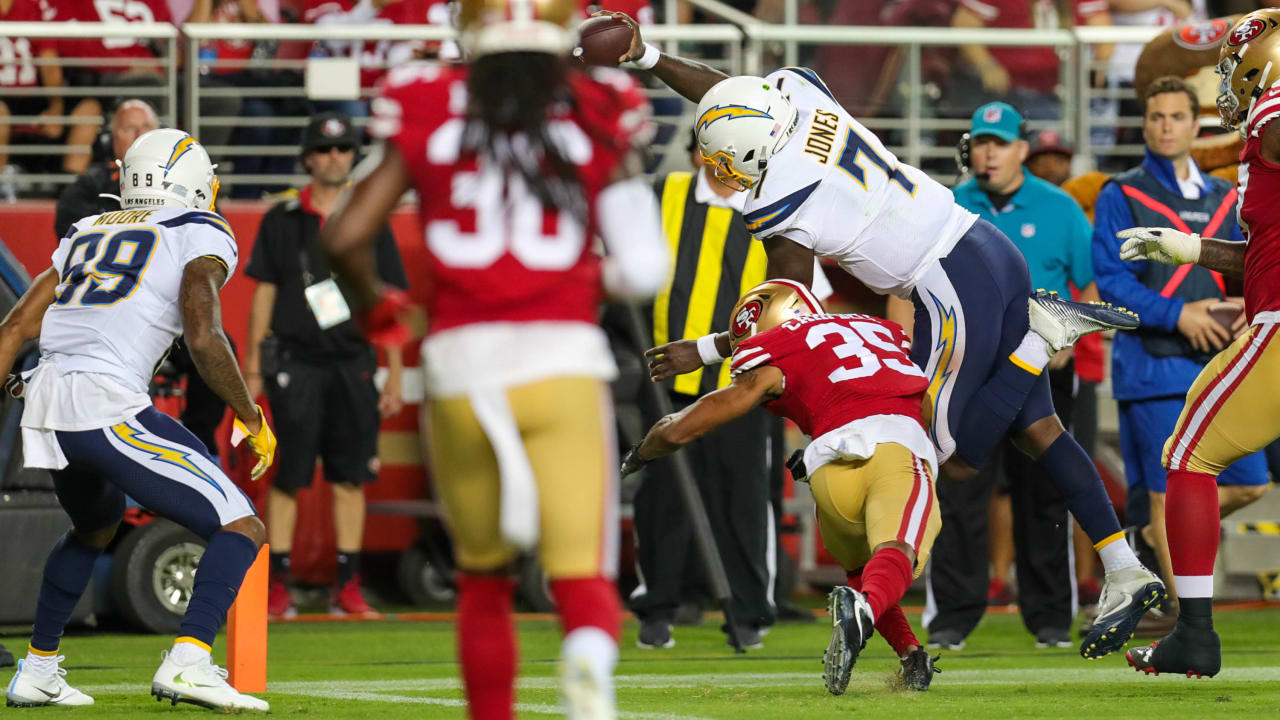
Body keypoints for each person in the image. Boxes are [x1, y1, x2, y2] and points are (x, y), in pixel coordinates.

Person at [607, 10, 1163, 660]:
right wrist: (647, 56)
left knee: (949, 455)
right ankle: (1125, 568)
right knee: (1039, 429)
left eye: (727, 160)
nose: (725, 171)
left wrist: (706, 350)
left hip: (950, 282)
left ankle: (1040, 339)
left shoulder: (778, 204)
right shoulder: (799, 96)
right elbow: (729, 93)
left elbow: (787, 324)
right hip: (984, 248)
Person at [318, 0, 669, 715]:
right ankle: (587, 657)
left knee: (483, 579)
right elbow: (645, 268)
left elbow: (344, 238)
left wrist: (379, 309)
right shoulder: (599, 103)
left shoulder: (427, 100)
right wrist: (573, 274)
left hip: (463, 365)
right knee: (580, 570)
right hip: (563, 358)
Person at [0, 129, 275, 710]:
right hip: (105, 403)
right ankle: (189, 661)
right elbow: (203, 334)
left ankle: (38, 669)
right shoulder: (198, 228)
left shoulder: (87, 230)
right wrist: (249, 414)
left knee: (95, 526)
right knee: (241, 525)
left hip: (46, 406)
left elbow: (16, 327)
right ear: (196, 183)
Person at [621, 280, 941, 693]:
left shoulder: (775, 351)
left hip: (827, 470)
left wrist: (642, 452)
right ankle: (862, 614)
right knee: (897, 549)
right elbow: (926, 399)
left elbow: (691, 422)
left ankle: (911, 655)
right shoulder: (879, 329)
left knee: (865, 571)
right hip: (894, 448)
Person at [1115, 10, 1280, 676]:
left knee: (1188, 456)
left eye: (1232, 67)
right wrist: (1191, 249)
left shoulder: (1272, 112)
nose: (1225, 83)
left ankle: (1196, 634)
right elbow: (1259, 253)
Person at [630, 130, 832, 650]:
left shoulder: (776, 209)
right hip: (668, 382)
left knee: (744, 502)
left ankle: (748, 611)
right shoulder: (661, 194)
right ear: (699, 151)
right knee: (663, 499)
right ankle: (658, 607)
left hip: (746, 387)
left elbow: (807, 301)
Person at [923, 101, 1099, 650]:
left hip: (1042, 369)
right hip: (967, 370)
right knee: (959, 492)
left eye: (999, 143)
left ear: (1022, 149)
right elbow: (915, 284)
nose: (989, 153)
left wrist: (1070, 337)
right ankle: (952, 615)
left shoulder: (1060, 207)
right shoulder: (947, 206)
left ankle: (1049, 616)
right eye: (981, 142)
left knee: (1045, 493)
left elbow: (1092, 285)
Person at [243, 111, 407, 618]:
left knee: (351, 477)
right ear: (308, 159)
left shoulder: (368, 217)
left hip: (354, 360)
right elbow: (264, 294)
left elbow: (388, 297)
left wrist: (394, 371)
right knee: (287, 477)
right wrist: (252, 367)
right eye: (324, 149)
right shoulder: (282, 219)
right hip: (294, 361)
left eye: (343, 149)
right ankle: (278, 587)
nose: (335, 157)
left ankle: (348, 587)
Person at [54, 100, 160, 240]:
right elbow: (72, 238)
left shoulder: (179, 181)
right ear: (110, 138)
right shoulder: (88, 187)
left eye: (146, 127)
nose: (140, 135)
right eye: (129, 128)